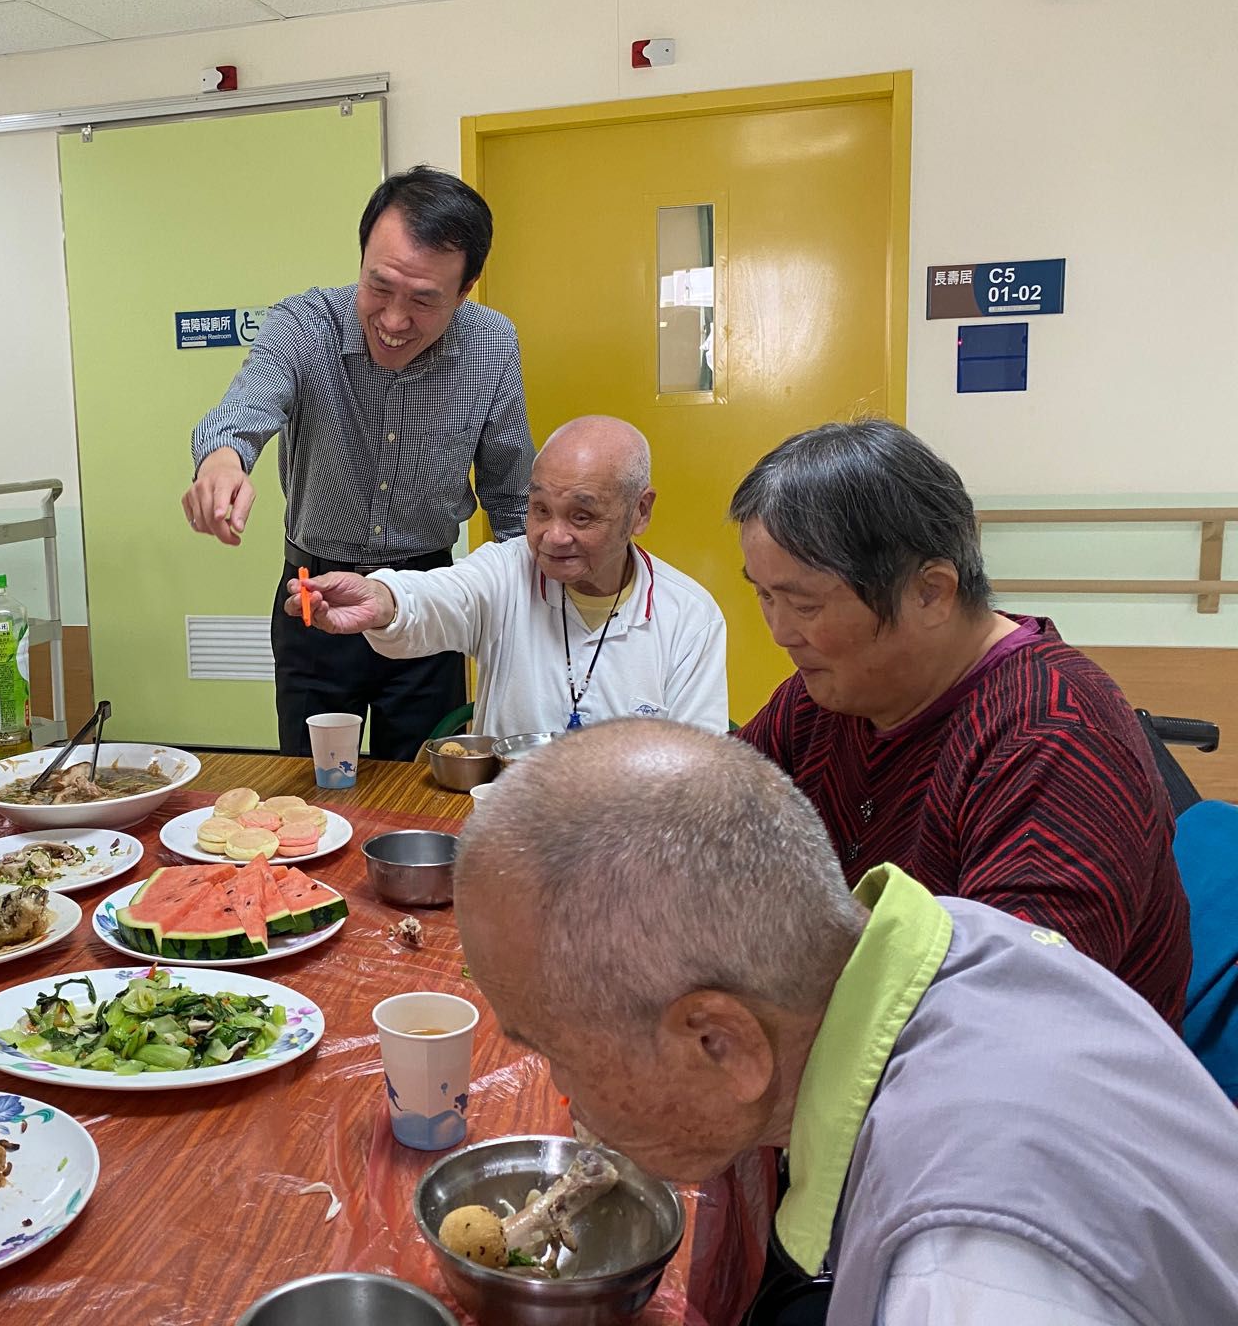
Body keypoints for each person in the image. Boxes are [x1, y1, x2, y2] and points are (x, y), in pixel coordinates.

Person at [458, 722, 1238, 1325]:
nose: (564, 1096)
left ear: (719, 1044)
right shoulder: (956, 933)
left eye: (555, 1052)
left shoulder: (967, 1273)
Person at [731, 420, 1189, 1024]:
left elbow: (1008, 1015)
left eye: (805, 604)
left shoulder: (1055, 735)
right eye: (765, 597)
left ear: (932, 592)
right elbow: (716, 816)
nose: (781, 631)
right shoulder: (828, 696)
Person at [183, 166, 534, 759]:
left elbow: (511, 497)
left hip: (427, 602)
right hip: (313, 601)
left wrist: (539, 618)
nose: (394, 321)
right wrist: (221, 459)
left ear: (466, 288)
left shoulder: (492, 344)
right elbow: (248, 402)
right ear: (363, 256)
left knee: (424, 797)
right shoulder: (305, 324)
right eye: (380, 287)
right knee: (311, 802)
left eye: (425, 300)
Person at [283, 416, 726, 738]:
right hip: (503, 828)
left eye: (582, 516)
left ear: (640, 511)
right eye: (540, 510)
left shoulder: (689, 616)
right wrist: (382, 600)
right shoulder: (507, 570)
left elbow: (698, 770)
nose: (554, 536)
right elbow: (439, 596)